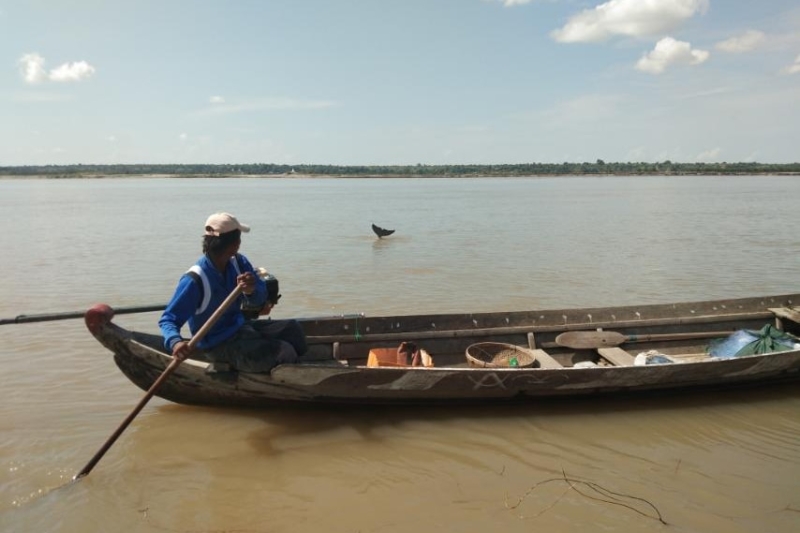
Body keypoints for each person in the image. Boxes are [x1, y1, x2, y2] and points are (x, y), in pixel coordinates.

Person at [158, 212, 307, 372]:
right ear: (235, 243)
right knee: (285, 352)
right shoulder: (195, 279)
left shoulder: (239, 263)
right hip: (218, 344)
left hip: (242, 328)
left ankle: (282, 363)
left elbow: (259, 299)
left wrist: (251, 291)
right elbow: (168, 319)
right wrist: (176, 342)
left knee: (293, 330)